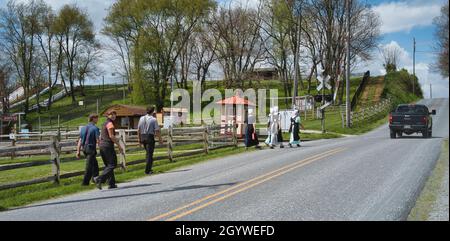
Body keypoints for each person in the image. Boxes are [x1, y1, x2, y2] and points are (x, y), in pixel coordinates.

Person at [94, 111, 123, 190]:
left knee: (108, 165)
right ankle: (99, 179)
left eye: (114, 114)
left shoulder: (104, 124)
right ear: (108, 115)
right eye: (111, 114)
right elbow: (111, 136)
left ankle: (111, 183)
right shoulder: (110, 124)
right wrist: (119, 146)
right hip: (108, 146)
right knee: (113, 164)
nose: (113, 116)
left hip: (102, 146)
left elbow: (103, 135)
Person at [138, 106, 163, 175]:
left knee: (147, 153)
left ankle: (149, 168)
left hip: (143, 136)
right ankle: (147, 170)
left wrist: (139, 139)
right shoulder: (153, 119)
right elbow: (157, 130)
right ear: (153, 111)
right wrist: (160, 140)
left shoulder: (141, 118)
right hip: (149, 137)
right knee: (149, 154)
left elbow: (138, 130)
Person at [76, 114, 100, 186]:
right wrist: (101, 148)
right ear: (93, 119)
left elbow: (79, 140)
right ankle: (85, 183)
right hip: (91, 148)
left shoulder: (83, 128)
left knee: (95, 165)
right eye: (97, 118)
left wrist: (78, 151)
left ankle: (95, 179)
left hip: (84, 148)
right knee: (89, 166)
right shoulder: (95, 128)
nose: (97, 120)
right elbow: (98, 140)